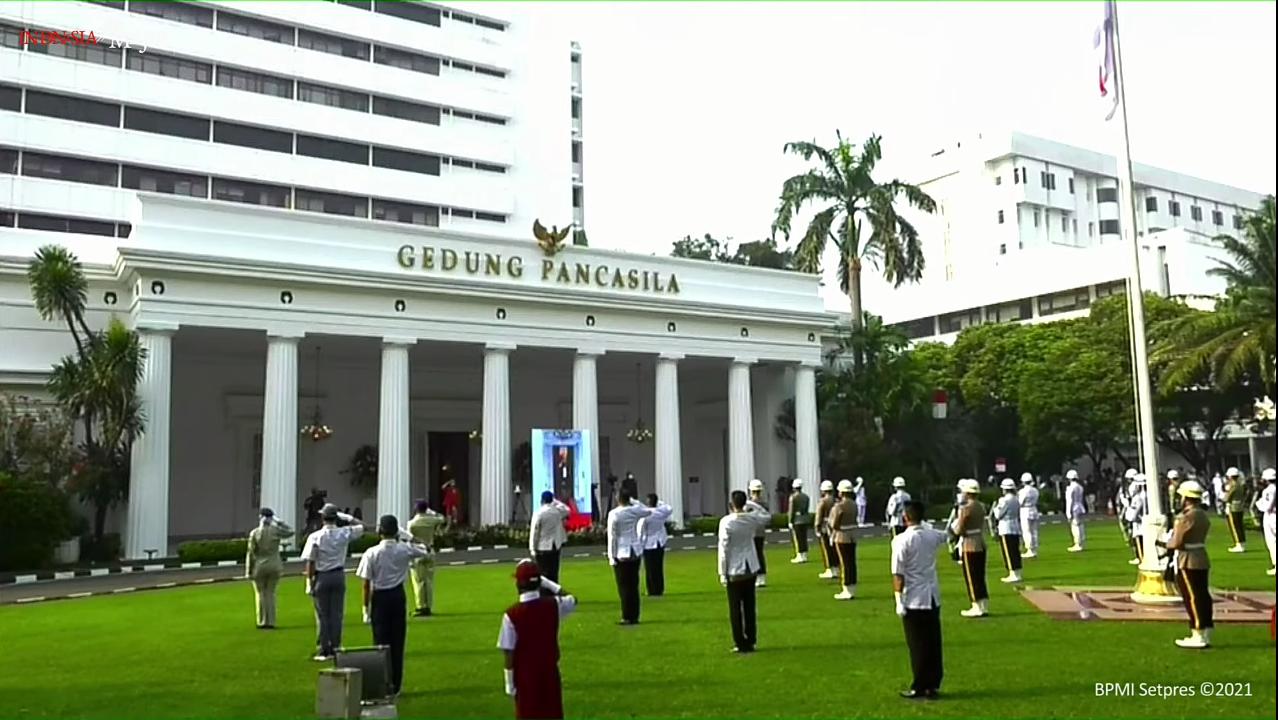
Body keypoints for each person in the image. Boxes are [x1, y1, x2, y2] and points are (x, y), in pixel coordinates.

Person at [356, 515, 431, 696]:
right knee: (397, 643)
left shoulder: (371, 553)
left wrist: (365, 609)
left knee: (380, 643)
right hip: (397, 596)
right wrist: (411, 538)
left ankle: (382, 683)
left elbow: (366, 584)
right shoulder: (404, 549)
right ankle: (395, 686)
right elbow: (426, 550)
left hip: (380, 598)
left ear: (380, 531)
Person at [497, 559, 578, 719]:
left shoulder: (511, 615)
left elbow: (508, 652)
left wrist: (509, 682)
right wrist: (549, 584)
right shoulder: (553, 605)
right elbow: (573, 599)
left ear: (518, 584)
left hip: (525, 677)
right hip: (550, 672)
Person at [891, 501, 947, 700]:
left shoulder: (900, 540)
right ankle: (932, 684)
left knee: (917, 644)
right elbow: (950, 533)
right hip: (932, 595)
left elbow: (898, 573)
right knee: (933, 642)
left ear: (905, 517)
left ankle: (920, 684)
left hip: (913, 598)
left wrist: (898, 599)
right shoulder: (931, 535)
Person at [301, 504, 370, 661]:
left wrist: (309, 581)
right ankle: (336, 646)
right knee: (337, 614)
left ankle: (324, 649)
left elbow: (310, 562)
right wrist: (348, 518)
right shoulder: (344, 532)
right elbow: (364, 527)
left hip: (322, 576)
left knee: (323, 614)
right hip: (338, 574)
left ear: (322, 518)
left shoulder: (315, 537)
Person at [718, 489, 771, 653]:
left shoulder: (727, 522)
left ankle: (740, 642)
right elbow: (766, 516)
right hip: (750, 565)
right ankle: (751, 639)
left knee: (735, 608)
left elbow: (723, 548)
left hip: (734, 568)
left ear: (730, 504)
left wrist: (722, 571)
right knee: (749, 605)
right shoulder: (751, 519)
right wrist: (751, 504)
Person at [1165, 480, 1214, 648]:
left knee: (1192, 597)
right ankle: (1205, 630)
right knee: (1203, 595)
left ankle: (1197, 631)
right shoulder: (1202, 515)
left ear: (1186, 498)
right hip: (1201, 556)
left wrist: (1164, 543)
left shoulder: (1185, 517)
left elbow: (1177, 542)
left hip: (1188, 559)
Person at [605, 487, 652, 625]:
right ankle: (635, 615)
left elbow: (612, 537)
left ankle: (627, 615)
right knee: (634, 584)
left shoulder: (614, 514)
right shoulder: (634, 510)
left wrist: (611, 556)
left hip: (622, 551)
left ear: (618, 499)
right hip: (634, 550)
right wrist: (634, 501)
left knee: (624, 586)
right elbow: (647, 510)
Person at [245, 507, 292, 630]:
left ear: (260, 517)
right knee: (270, 593)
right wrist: (279, 521)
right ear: (271, 518)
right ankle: (271, 621)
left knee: (260, 593)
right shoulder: (275, 530)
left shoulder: (255, 533)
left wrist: (248, 570)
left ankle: (262, 621)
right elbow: (290, 531)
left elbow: (251, 553)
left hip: (260, 565)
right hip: (274, 564)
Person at [951, 479, 989, 618]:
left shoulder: (966, 508)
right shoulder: (981, 506)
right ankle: (983, 604)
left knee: (971, 576)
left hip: (970, 543)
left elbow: (960, 527)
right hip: (980, 541)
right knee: (980, 575)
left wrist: (956, 532)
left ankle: (976, 604)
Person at [408, 499, 446, 617]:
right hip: (430, 550)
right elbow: (442, 518)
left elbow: (409, 538)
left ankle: (421, 606)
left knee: (418, 581)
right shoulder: (431, 520)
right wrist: (432, 512)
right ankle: (428, 605)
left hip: (417, 552)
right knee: (428, 581)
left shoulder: (412, 523)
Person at [530, 491, 571, 584]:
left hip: (542, 547)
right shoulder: (557, 512)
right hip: (555, 545)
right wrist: (556, 501)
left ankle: (544, 594)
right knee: (554, 572)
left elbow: (535, 532)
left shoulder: (539, 513)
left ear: (542, 500)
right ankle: (554, 593)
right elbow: (567, 509)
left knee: (543, 573)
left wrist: (532, 548)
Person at [828, 479, 859, 600]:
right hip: (852, 535)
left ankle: (846, 588)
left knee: (844, 563)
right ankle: (852, 587)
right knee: (852, 562)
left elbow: (834, 523)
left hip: (842, 536)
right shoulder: (854, 504)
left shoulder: (839, 506)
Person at [639, 493, 674, 597]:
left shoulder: (646, 516)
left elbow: (642, 532)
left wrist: (640, 544)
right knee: (658, 567)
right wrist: (659, 503)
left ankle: (652, 590)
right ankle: (659, 589)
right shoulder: (661, 512)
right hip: (660, 542)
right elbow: (669, 508)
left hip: (649, 543)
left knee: (650, 568)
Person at [991, 479, 1023, 584]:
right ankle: (1017, 572)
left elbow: (998, 515)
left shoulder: (1004, 500)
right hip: (1015, 526)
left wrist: (995, 508)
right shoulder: (1016, 499)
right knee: (1015, 551)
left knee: (1008, 552)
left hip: (1006, 527)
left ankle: (1012, 573)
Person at [814, 479, 840, 579]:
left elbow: (819, 516)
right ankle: (837, 569)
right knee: (834, 548)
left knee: (827, 549)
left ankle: (830, 569)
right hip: (835, 527)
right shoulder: (836, 500)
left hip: (825, 527)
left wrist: (817, 527)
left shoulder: (823, 501)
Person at [747, 479, 770, 587]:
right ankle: (762, 576)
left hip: (751, 532)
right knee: (760, 553)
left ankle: (756, 576)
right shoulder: (764, 504)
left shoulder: (749, 504)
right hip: (761, 532)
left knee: (753, 555)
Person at [1124, 474, 1149, 566]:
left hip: (1139, 522)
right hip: (1140, 520)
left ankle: (1140, 558)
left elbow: (1137, 510)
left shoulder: (1140, 496)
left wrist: (1131, 518)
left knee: (1138, 540)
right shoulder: (1144, 495)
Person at [1256, 468, 1276, 576]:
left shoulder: (1269, 490)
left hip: (1271, 516)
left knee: (1272, 541)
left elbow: (1267, 507)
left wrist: (1259, 504)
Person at [788, 478, 812, 564]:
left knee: (798, 538)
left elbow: (791, 510)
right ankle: (804, 555)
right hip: (805, 519)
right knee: (804, 538)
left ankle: (799, 555)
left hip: (797, 520)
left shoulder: (793, 497)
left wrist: (790, 521)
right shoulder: (806, 497)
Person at [1223, 467, 1247, 553]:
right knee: (1240, 525)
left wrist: (1224, 497)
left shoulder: (1233, 485)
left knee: (1235, 526)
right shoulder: (1240, 484)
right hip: (1240, 506)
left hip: (1234, 507)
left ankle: (1239, 544)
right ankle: (1242, 543)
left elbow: (1228, 497)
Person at [1017, 474, 1040, 558]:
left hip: (1025, 511)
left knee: (1027, 531)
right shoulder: (1035, 490)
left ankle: (1030, 549)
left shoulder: (1023, 491)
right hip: (1034, 509)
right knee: (1034, 531)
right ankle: (1034, 549)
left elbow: (1020, 502)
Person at [1065, 469, 1087, 552]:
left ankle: (1077, 544)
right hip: (1080, 507)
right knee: (1080, 526)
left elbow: (1070, 501)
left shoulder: (1071, 488)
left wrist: (1068, 512)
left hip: (1074, 507)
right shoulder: (1080, 487)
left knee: (1075, 526)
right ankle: (1080, 542)